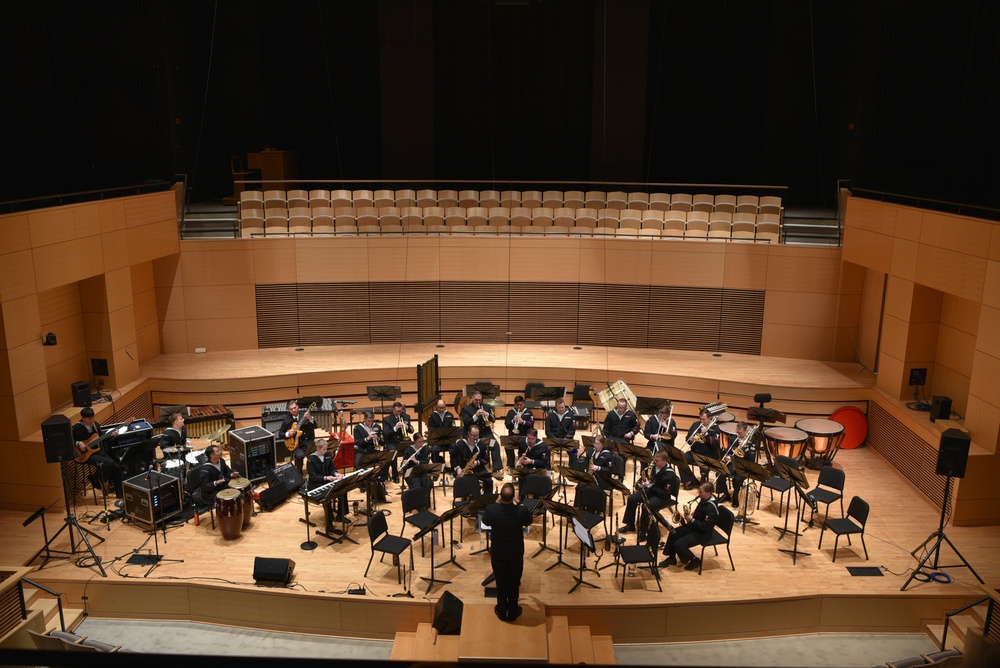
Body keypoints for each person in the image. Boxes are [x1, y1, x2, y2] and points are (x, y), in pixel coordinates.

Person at [482, 483, 532, 622]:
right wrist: (519, 503)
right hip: (515, 553)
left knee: (501, 582)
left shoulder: (491, 509)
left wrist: (497, 502)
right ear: (513, 497)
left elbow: (485, 521)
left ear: (500, 496)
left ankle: (502, 610)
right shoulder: (521, 511)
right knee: (514, 582)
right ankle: (513, 610)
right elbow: (528, 521)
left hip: (498, 553)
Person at [661, 481, 720, 572]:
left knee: (679, 544)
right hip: (695, 526)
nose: (698, 493)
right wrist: (691, 515)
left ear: (708, 493)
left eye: (701, 492)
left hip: (703, 533)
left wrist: (691, 519)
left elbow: (705, 527)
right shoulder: (705, 499)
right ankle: (672, 558)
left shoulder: (711, 509)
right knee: (673, 533)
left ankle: (695, 560)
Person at [620, 450, 678, 533]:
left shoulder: (670, 475)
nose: (654, 462)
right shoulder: (655, 466)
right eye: (654, 459)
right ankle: (630, 525)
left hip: (662, 497)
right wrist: (644, 482)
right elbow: (652, 480)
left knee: (646, 506)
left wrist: (650, 485)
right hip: (652, 490)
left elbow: (664, 493)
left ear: (664, 461)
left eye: (657, 461)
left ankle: (644, 531)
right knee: (632, 499)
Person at [72, 407, 123, 497]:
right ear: (83, 418)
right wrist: (78, 442)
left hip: (96, 451)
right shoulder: (76, 428)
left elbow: (102, 437)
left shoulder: (95, 425)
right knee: (109, 463)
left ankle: (120, 494)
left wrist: (112, 436)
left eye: (92, 417)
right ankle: (96, 478)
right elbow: (68, 441)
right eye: (89, 418)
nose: (91, 420)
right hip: (85, 455)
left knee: (116, 467)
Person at [719, 422, 758, 508]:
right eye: (737, 432)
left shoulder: (752, 441)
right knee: (720, 472)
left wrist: (745, 447)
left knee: (737, 479)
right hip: (733, 464)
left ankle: (735, 498)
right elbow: (728, 451)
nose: (738, 434)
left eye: (740, 432)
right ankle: (726, 494)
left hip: (744, 467)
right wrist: (727, 457)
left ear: (746, 431)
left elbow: (751, 459)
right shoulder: (734, 438)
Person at [682, 409, 721, 490]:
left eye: (704, 419)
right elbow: (687, 438)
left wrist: (706, 434)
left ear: (710, 418)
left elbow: (715, 445)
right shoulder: (696, 425)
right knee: (681, 459)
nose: (701, 421)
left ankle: (703, 484)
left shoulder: (716, 428)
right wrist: (691, 439)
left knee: (704, 466)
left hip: (708, 454)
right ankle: (692, 480)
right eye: (700, 419)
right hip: (695, 452)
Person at [452, 426, 493, 494]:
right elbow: (453, 457)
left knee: (489, 481)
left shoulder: (482, 445)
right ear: (468, 433)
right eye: (473, 435)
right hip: (464, 469)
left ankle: (487, 501)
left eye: (477, 435)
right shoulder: (460, 444)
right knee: (469, 482)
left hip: (479, 469)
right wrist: (457, 468)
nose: (475, 438)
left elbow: (486, 459)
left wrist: (477, 462)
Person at [280, 400, 316, 475]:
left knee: (313, 456)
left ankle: (313, 474)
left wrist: (310, 419)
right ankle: (299, 475)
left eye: (295, 407)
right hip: (297, 445)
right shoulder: (287, 420)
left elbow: (314, 426)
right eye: (291, 409)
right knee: (299, 456)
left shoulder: (305, 415)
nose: (294, 410)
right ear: (288, 410)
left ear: (298, 406)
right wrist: (288, 434)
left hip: (308, 442)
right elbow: (280, 434)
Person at [382, 401, 414, 483]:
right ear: (393, 410)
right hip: (392, 441)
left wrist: (406, 427)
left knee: (412, 450)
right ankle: (395, 474)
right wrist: (395, 428)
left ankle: (406, 469)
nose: (399, 413)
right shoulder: (387, 419)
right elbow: (385, 434)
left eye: (400, 411)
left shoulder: (406, 417)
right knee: (393, 452)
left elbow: (411, 431)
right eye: (397, 411)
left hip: (403, 440)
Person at [504, 395, 534, 469]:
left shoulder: (529, 412)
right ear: (514, 404)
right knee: (508, 446)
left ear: (524, 404)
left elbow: (531, 425)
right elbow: (507, 425)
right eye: (517, 405)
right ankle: (511, 466)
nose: (519, 407)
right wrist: (513, 421)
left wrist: (523, 422)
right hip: (513, 436)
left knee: (524, 447)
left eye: (521, 405)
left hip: (525, 436)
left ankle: (522, 464)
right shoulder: (511, 412)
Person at [427, 399, 456, 464]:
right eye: (439, 408)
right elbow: (431, 430)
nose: (441, 409)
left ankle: (454, 467)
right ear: (436, 407)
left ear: (445, 406)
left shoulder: (450, 415)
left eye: (443, 408)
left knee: (455, 447)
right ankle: (437, 467)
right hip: (437, 441)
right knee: (434, 450)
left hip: (448, 440)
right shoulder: (432, 416)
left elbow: (453, 428)